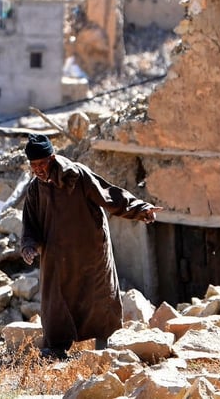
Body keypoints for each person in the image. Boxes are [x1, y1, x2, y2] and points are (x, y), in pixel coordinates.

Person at [20, 133, 162, 358]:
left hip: (90, 249)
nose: (38, 169)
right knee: (56, 301)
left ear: (53, 159)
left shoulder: (76, 175)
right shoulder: (35, 189)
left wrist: (139, 209)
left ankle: (105, 349)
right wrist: (28, 245)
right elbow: (30, 224)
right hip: (57, 256)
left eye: (42, 163)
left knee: (98, 296)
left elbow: (109, 195)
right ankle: (56, 349)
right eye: (33, 165)